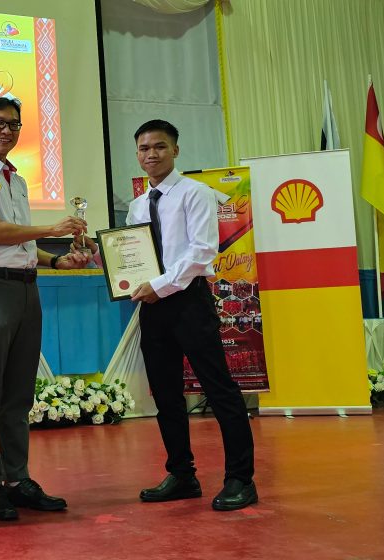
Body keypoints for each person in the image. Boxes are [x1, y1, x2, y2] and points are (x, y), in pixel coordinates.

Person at [0, 97, 90, 521]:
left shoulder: (17, 179)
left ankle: (18, 478)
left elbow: (21, 243)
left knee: (19, 393)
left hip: (27, 288)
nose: (6, 130)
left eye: (14, 124)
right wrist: (54, 227)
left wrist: (58, 259)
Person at [124, 119, 258, 511]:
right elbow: (133, 255)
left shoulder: (196, 193)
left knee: (219, 390)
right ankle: (182, 474)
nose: (151, 154)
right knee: (165, 394)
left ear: (175, 151)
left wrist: (159, 285)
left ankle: (240, 479)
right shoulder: (136, 205)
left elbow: (201, 252)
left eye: (159, 147)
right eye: (144, 148)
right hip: (152, 306)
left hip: (187, 301)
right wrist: (107, 263)